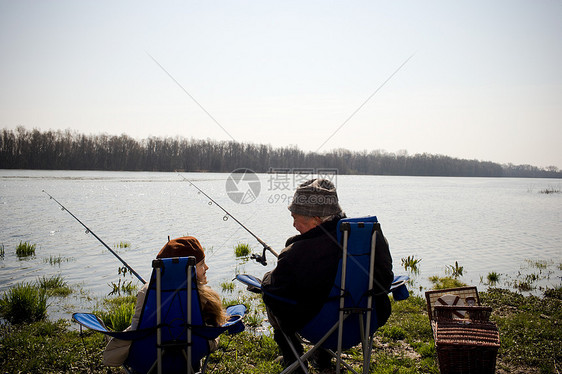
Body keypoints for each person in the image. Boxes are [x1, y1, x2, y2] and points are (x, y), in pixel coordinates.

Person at [261, 178, 394, 373]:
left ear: (315, 219)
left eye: (296, 217)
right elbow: (385, 280)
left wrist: (265, 279)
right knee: (326, 296)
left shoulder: (298, 252)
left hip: (321, 328)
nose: (294, 224)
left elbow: (273, 289)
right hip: (366, 323)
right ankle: (323, 360)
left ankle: (295, 361)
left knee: (273, 302)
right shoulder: (371, 236)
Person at [103, 236, 227, 367]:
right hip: (190, 356)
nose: (207, 267)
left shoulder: (147, 291)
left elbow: (137, 327)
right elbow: (216, 325)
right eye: (202, 264)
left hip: (147, 360)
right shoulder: (205, 296)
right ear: (188, 269)